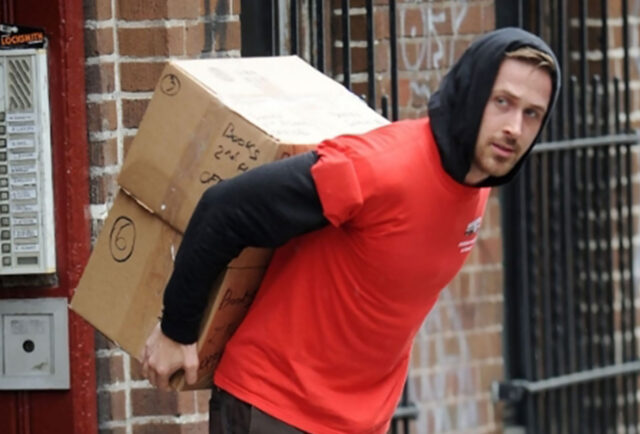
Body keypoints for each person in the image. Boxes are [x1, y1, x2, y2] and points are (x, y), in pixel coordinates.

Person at [141, 27, 560, 433]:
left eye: (531, 114)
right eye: (502, 102)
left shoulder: (475, 185)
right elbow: (225, 208)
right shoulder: (381, 168)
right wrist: (176, 328)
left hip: (360, 422)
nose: (515, 128)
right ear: (471, 93)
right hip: (276, 410)